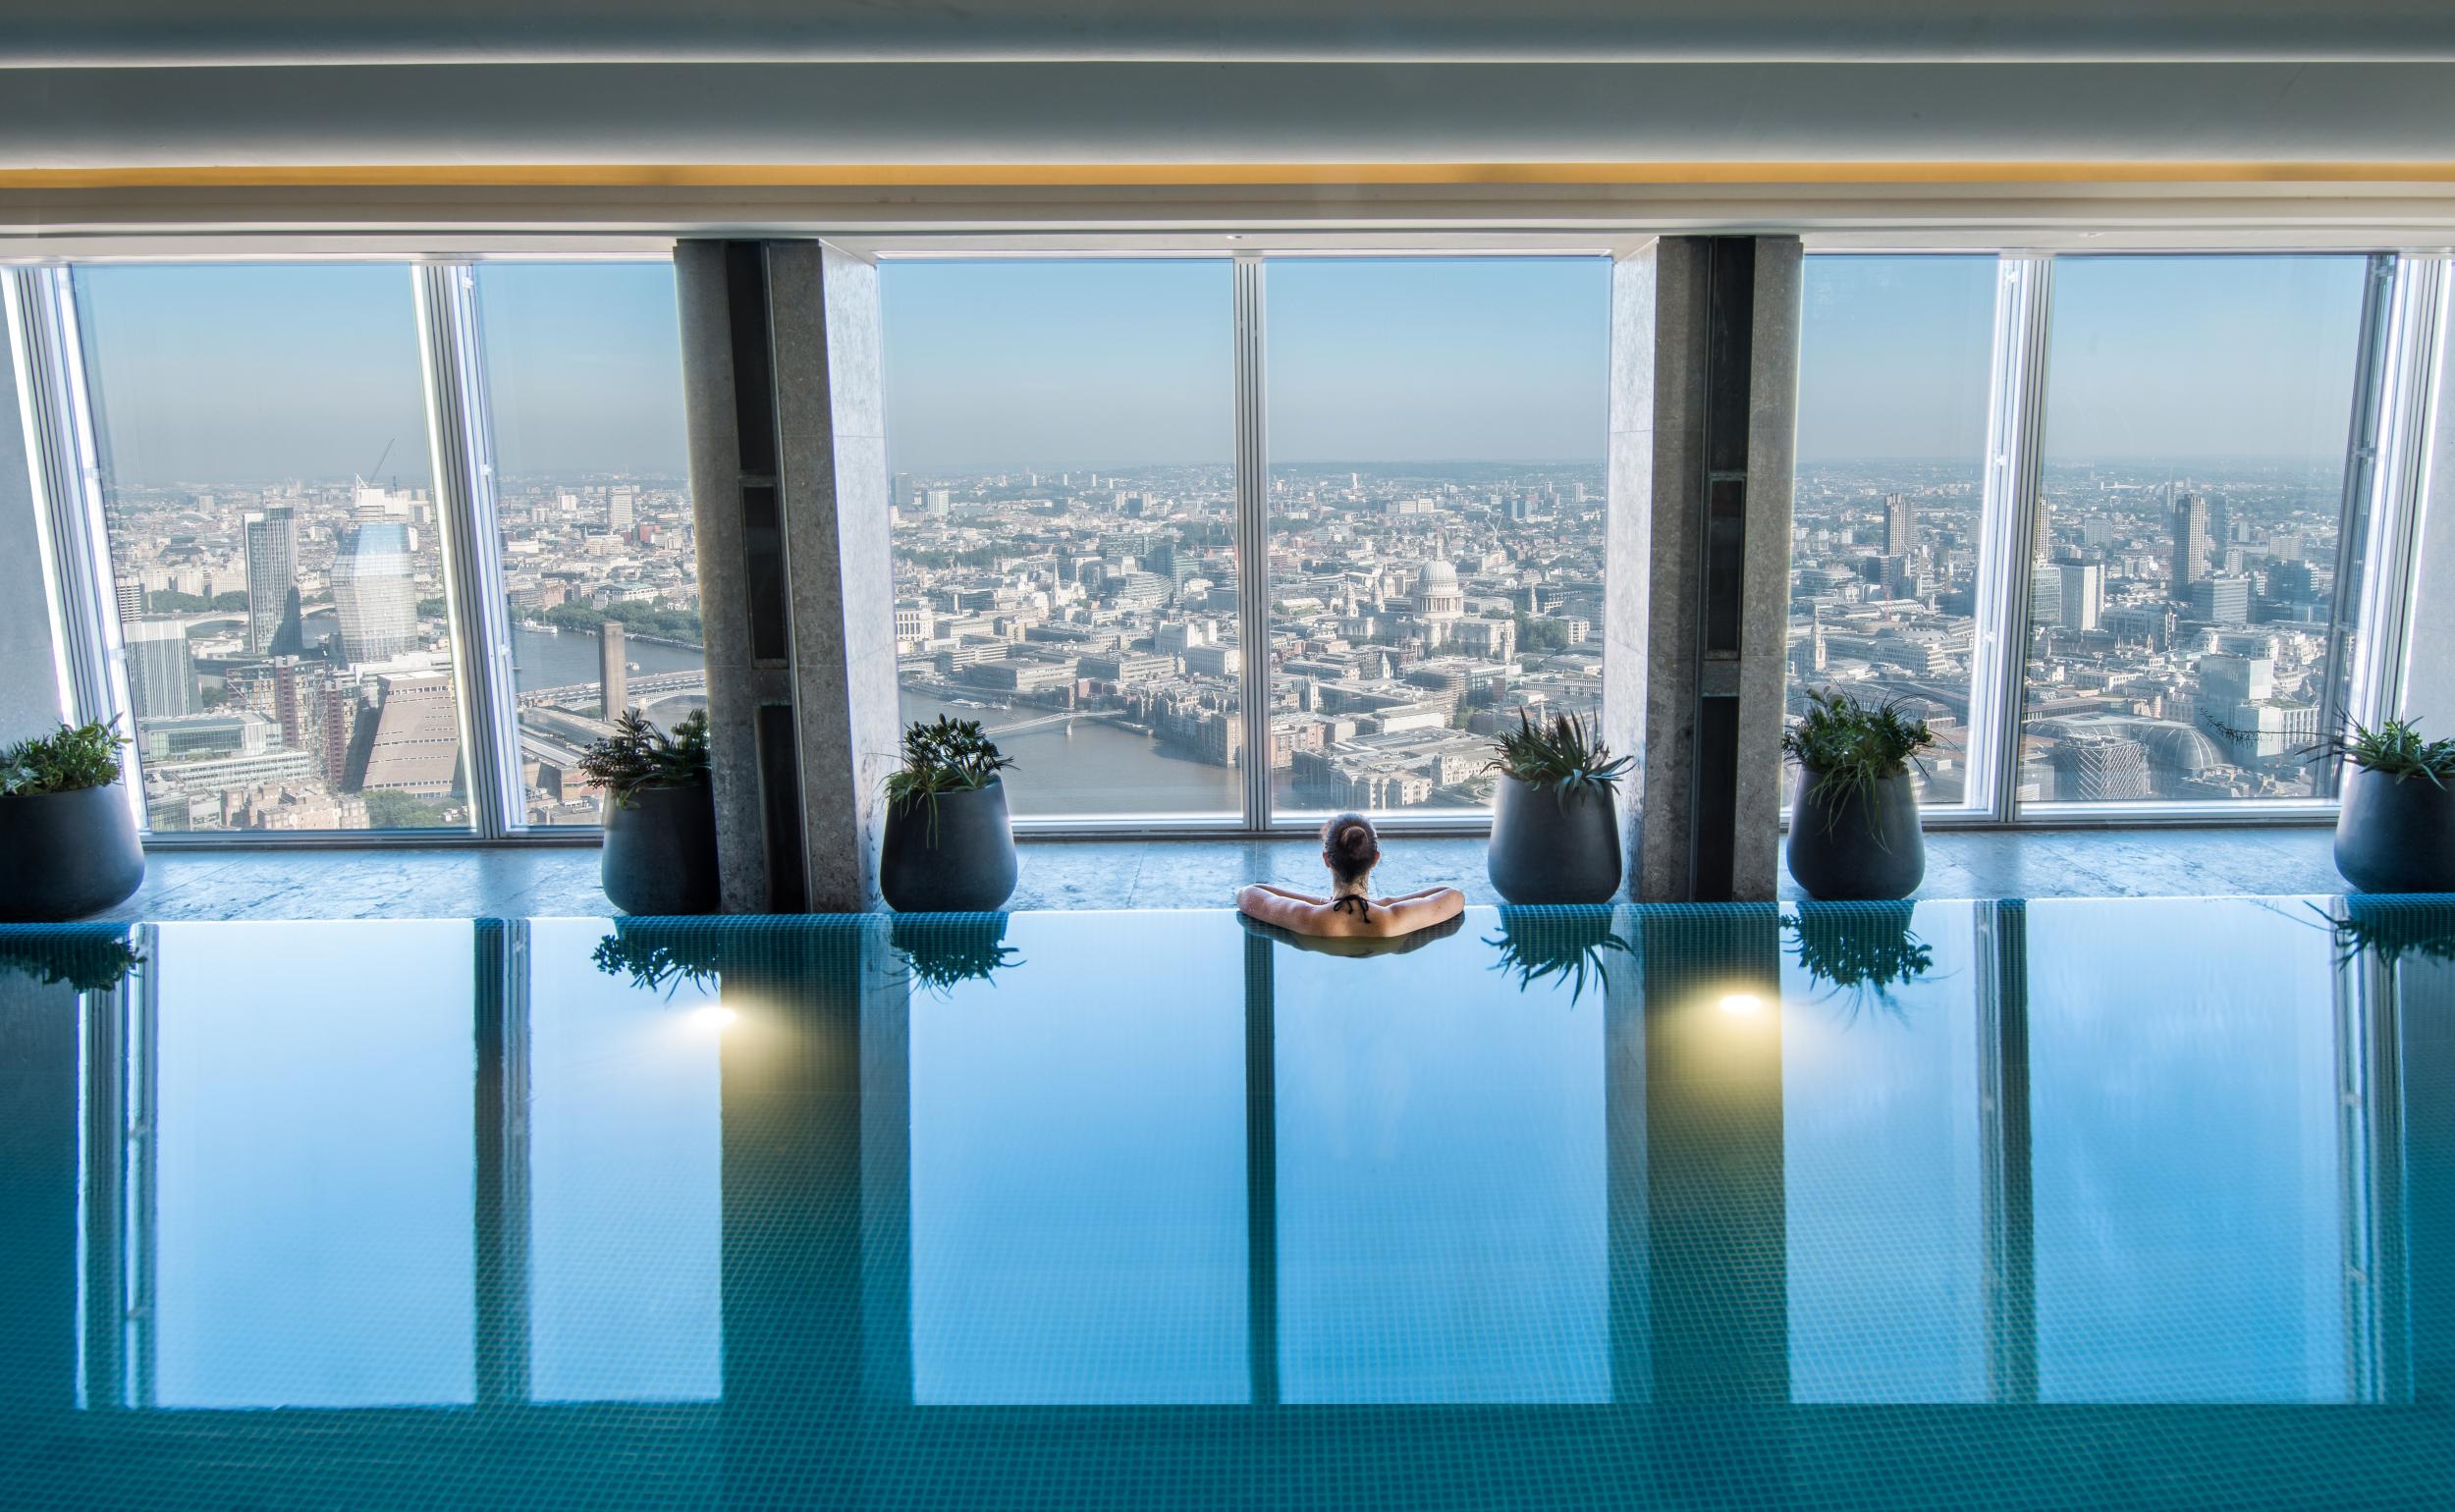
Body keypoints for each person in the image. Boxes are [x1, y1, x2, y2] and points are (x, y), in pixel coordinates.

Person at [1235, 813, 1466, 940]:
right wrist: (1383, 903)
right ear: (1375, 859)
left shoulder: (1307, 916)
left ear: (1327, 859)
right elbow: (1454, 896)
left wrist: (1320, 903)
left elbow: (1248, 894)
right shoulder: (1394, 918)